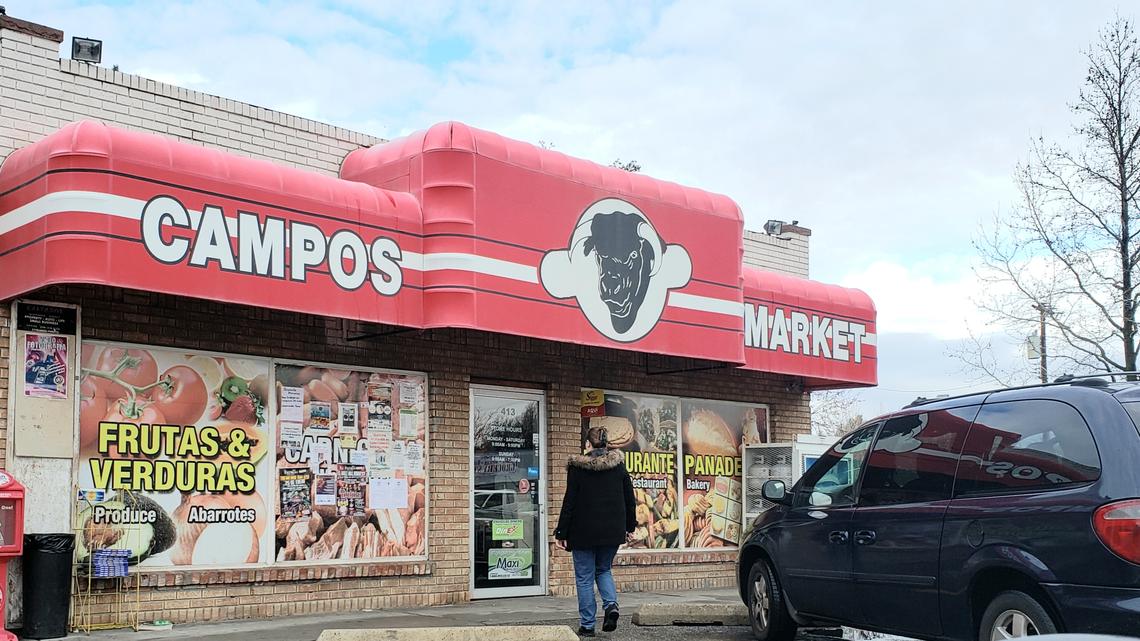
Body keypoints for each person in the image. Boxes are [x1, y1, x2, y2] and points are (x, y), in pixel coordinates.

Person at [555, 426, 637, 637]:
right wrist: (630, 527)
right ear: (607, 445)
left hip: (582, 532)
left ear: (587, 445)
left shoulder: (577, 468)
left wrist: (561, 533)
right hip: (612, 531)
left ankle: (588, 625)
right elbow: (630, 498)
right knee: (603, 570)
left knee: (584, 578)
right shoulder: (618, 467)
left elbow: (569, 502)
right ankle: (611, 606)